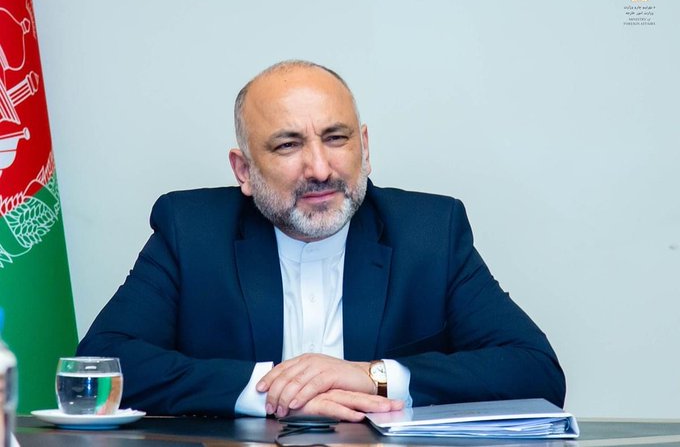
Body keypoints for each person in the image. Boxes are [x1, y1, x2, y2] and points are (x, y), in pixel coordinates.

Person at [78, 60, 566, 421]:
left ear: (365, 148)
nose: (319, 168)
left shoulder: (430, 232)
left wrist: (372, 377)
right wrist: (270, 391)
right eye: (288, 145)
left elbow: (535, 370)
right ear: (243, 170)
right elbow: (99, 366)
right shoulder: (191, 230)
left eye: (336, 138)